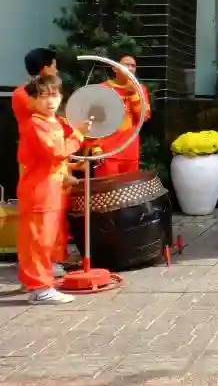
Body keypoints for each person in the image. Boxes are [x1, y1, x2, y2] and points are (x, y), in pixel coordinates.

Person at [17, 75, 91, 305]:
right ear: (33, 100)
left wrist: (71, 165)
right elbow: (55, 152)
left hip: (49, 188)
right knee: (38, 241)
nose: (51, 101)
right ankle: (39, 289)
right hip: (40, 191)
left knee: (43, 240)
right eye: (44, 96)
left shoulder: (51, 122)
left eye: (55, 95)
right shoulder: (36, 123)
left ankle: (39, 283)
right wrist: (78, 135)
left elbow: (51, 160)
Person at [87, 54, 151, 177]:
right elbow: (92, 121)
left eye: (133, 66)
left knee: (128, 193)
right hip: (107, 152)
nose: (130, 68)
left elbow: (144, 117)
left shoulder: (140, 89)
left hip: (130, 152)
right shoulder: (103, 88)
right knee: (106, 192)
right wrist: (95, 148)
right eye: (126, 64)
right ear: (114, 68)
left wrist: (134, 95)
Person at [13, 48, 60, 124]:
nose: (56, 71)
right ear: (45, 69)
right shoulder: (23, 93)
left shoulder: (20, 92)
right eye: (54, 67)